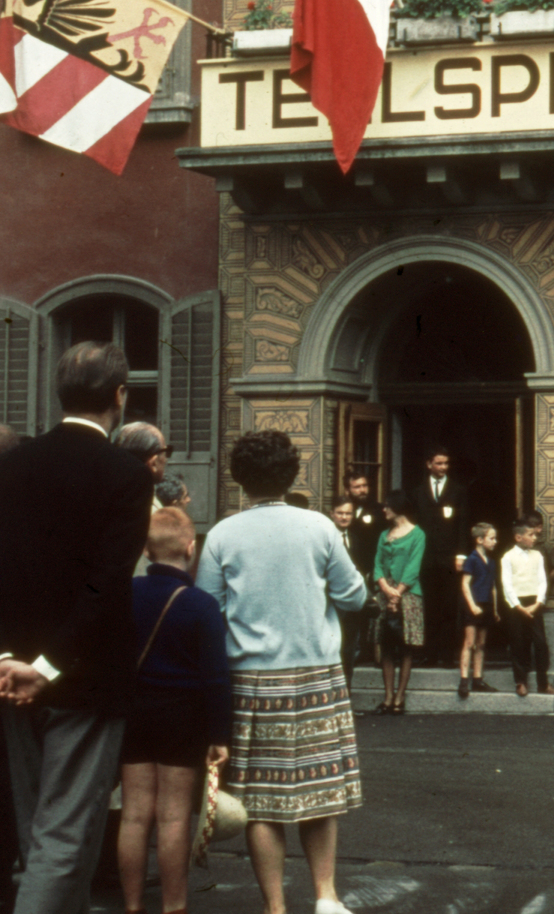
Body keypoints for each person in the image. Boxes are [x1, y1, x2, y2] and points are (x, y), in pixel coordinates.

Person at [0, 342, 153, 914]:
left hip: (12, 674)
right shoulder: (125, 475)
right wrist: (47, 666)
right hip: (82, 678)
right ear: (119, 396)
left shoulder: (13, 464)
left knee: (43, 825)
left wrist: (11, 658)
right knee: (62, 837)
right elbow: (107, 583)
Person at [195, 429, 366, 914]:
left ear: (240, 479)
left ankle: (275, 907)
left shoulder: (224, 534)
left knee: (261, 799)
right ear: (291, 474)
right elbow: (353, 595)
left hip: (251, 677)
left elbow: (208, 607)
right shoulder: (319, 527)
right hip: (315, 673)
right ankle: (326, 896)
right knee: (321, 789)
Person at [117, 507, 230, 914]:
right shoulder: (200, 605)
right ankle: (173, 906)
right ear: (191, 547)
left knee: (133, 815)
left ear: (146, 551)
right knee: (173, 817)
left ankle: (131, 906)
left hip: (132, 713)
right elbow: (216, 675)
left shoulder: (123, 595)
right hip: (182, 718)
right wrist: (219, 735)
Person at [409, 447, 470, 666]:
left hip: (450, 558)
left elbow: (463, 525)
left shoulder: (458, 490)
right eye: (439, 463)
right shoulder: (417, 492)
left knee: (449, 606)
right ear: (429, 464)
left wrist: (461, 555)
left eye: (446, 463)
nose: (443, 467)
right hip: (426, 559)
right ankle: (430, 654)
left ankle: (446, 655)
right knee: (430, 606)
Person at [373, 492, 426, 714]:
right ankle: (387, 696)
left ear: (398, 507)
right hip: (386, 593)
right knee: (386, 646)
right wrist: (386, 589)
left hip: (409, 594)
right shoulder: (384, 534)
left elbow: (414, 566)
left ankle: (399, 697)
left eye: (387, 506)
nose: (384, 510)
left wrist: (398, 593)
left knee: (405, 647)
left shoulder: (417, 534)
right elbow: (377, 564)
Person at [501, 514, 554, 698]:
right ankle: (520, 682)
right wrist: (518, 606)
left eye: (535, 535)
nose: (535, 538)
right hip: (516, 605)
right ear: (518, 537)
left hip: (534, 603)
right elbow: (507, 584)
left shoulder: (538, 555)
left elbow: (542, 581)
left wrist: (538, 603)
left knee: (540, 643)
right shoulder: (507, 557)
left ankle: (543, 682)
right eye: (531, 535)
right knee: (518, 643)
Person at [329, 495, 373, 684]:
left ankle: (346, 699)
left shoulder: (356, 539)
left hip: (352, 608)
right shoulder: (327, 538)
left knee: (349, 653)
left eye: (348, 513)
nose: (344, 517)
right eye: (340, 513)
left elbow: (361, 570)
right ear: (332, 514)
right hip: (331, 606)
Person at [458, 523, 500, 699]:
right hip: (474, 605)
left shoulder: (491, 561)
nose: (495, 541)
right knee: (469, 643)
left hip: (487, 605)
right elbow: (465, 584)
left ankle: (478, 678)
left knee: (481, 644)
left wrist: (495, 609)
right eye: (491, 538)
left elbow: (493, 587)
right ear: (480, 540)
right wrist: (472, 605)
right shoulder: (472, 559)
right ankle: (464, 680)